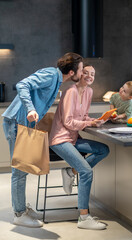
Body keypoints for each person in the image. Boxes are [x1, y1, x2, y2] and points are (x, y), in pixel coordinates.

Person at [2, 52, 83, 228]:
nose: (82, 73)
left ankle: (21, 207)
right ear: (71, 72)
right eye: (81, 69)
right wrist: (30, 109)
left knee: (23, 168)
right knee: (19, 169)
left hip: (23, 124)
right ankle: (19, 214)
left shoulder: (56, 80)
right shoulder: (50, 74)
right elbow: (22, 84)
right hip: (16, 122)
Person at [49, 65, 110, 230]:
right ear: (79, 74)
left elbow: (82, 117)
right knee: (86, 171)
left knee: (104, 149)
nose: (90, 76)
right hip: (60, 140)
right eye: (86, 72)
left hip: (73, 138)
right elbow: (69, 122)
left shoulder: (89, 92)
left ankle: (70, 172)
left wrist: (96, 120)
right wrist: (89, 123)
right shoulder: (71, 92)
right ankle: (84, 218)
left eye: (93, 74)